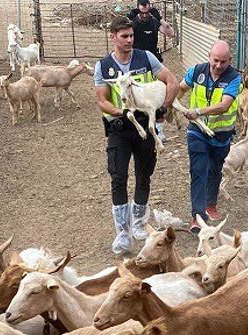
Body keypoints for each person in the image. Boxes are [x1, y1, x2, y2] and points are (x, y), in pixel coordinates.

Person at [94, 16, 178, 256]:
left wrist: (165, 107)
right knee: (118, 177)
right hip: (120, 128)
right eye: (124, 36)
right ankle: (122, 231)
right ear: (113, 37)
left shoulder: (146, 58)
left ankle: (140, 222)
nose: (130, 40)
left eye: (131, 36)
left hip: (145, 128)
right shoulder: (103, 66)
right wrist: (124, 112)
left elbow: (171, 81)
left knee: (144, 173)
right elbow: (101, 100)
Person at [180, 40, 242, 233]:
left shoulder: (234, 78)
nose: (218, 65)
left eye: (223, 62)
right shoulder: (196, 72)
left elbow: (224, 105)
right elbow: (180, 88)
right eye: (215, 60)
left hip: (221, 135)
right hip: (197, 130)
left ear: (229, 60)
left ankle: (211, 203)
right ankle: (198, 217)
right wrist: (168, 105)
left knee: (215, 170)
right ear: (209, 56)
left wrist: (199, 111)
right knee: (199, 169)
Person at [127, 0, 175, 140]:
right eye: (142, 12)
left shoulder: (153, 22)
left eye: (147, 12)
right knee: (138, 96)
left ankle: (159, 129)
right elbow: (123, 33)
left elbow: (170, 33)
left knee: (159, 96)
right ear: (137, 10)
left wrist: (161, 20)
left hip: (153, 63)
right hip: (137, 64)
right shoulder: (133, 24)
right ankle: (139, 126)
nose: (144, 15)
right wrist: (129, 19)